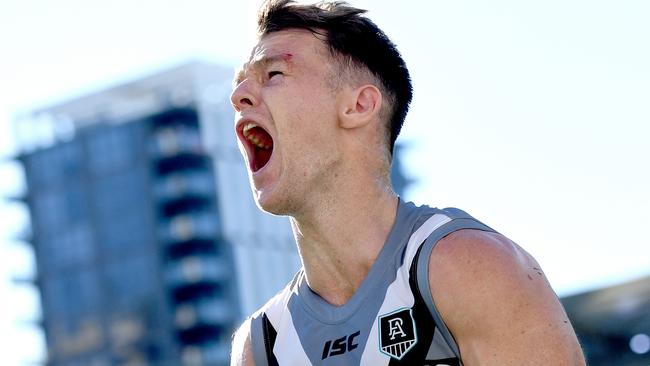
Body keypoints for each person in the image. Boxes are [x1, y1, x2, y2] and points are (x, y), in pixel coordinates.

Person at [229, 1, 585, 365]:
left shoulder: (469, 267)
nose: (238, 95)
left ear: (359, 106)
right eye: (240, 81)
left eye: (273, 74)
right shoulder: (261, 346)